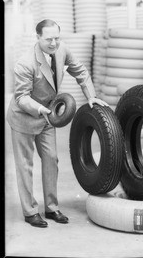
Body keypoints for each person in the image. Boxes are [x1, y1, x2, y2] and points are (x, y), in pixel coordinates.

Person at [6, 19, 108, 228]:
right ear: (38, 38)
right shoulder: (25, 63)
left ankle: (51, 207)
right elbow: (21, 98)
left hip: (48, 116)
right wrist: (41, 109)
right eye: (48, 39)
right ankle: (30, 211)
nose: (53, 43)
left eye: (57, 38)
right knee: (25, 165)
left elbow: (79, 70)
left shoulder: (62, 49)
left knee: (52, 158)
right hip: (25, 116)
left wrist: (91, 95)